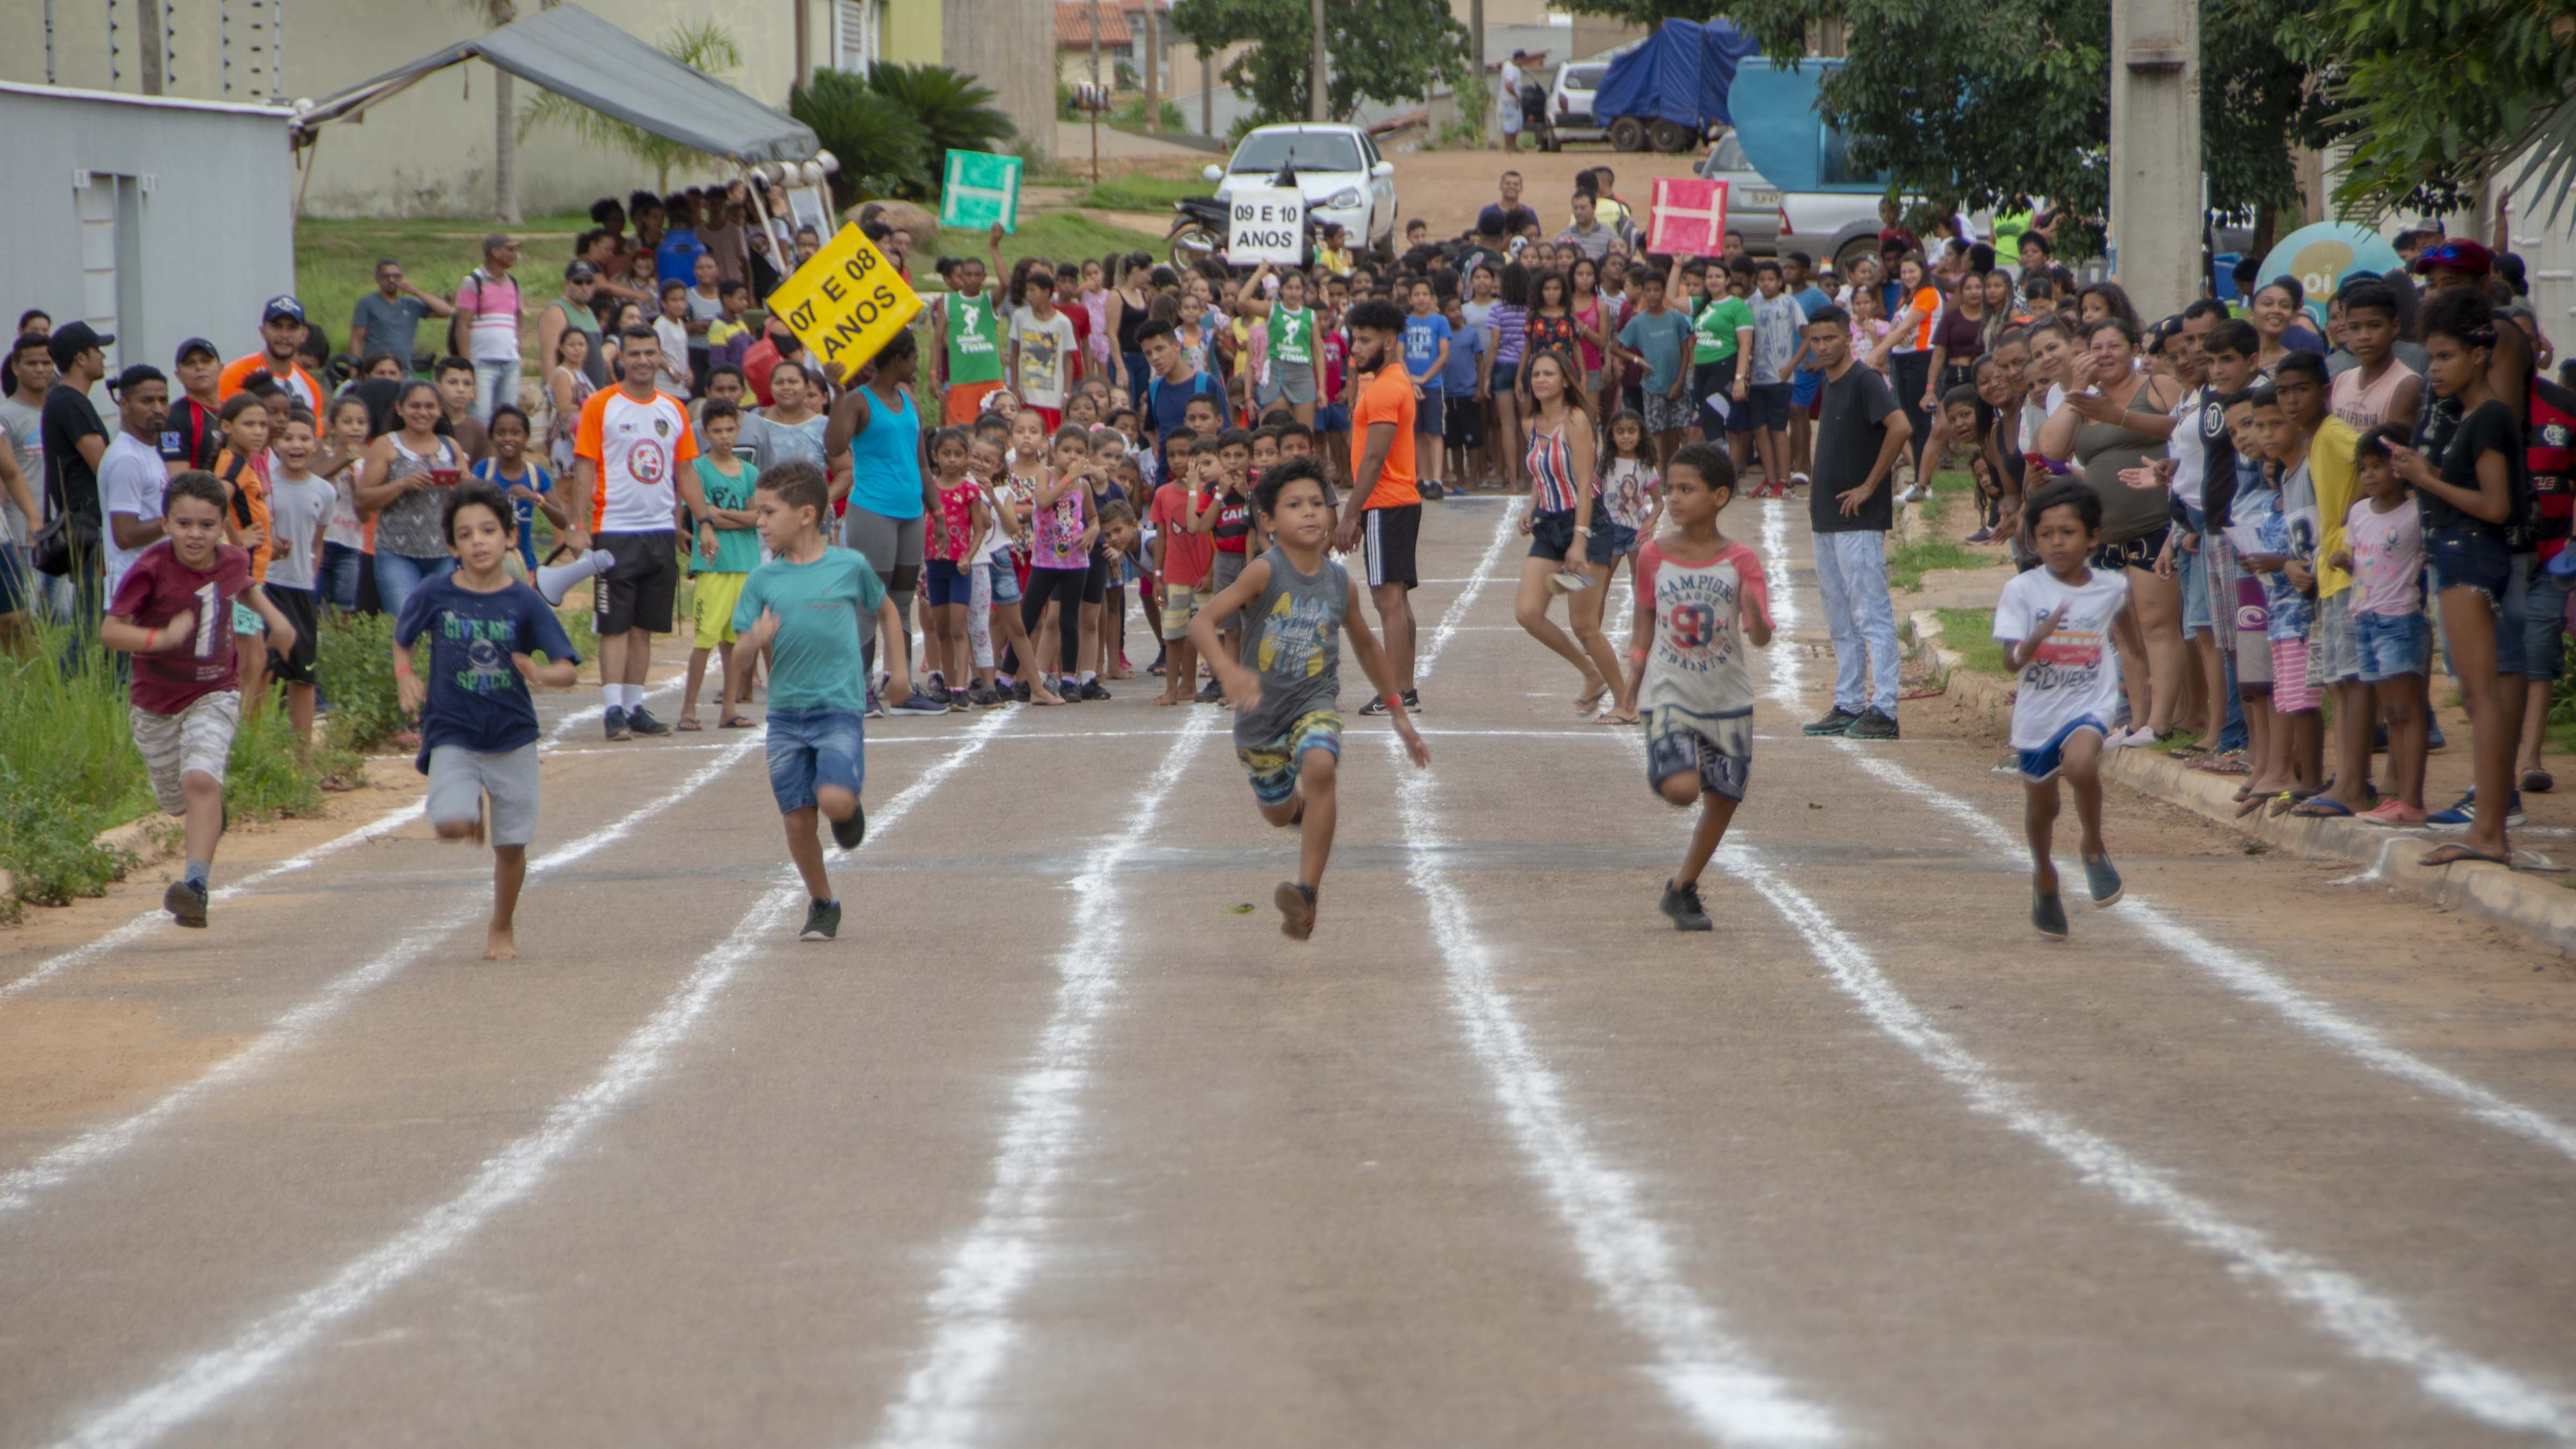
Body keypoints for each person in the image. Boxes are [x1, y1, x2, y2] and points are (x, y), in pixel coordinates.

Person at [1192, 457, 1428, 940]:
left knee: (1320, 766)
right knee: (1278, 814)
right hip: (1259, 720)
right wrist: (1228, 673)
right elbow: (1202, 622)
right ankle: (1297, 810)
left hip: (1313, 701)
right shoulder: (1264, 571)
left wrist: (1399, 715)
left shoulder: (1340, 582)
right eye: (1294, 505)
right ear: (1269, 522)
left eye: (1318, 504)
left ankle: (1306, 893)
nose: (1310, 513)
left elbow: (1365, 644)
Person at [390, 480, 580, 959]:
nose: (478, 541)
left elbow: (568, 670)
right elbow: (403, 636)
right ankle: (466, 801)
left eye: (489, 530)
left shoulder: (525, 601)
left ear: (511, 537)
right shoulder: (435, 593)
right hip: (453, 731)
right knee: (452, 825)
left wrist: (540, 672)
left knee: (511, 847)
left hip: (513, 736)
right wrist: (404, 674)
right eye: (466, 534)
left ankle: (501, 928)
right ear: (452, 546)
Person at [103, 470, 298, 927]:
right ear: (167, 522)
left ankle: (195, 887)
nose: (196, 535)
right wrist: (160, 636)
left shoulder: (229, 558)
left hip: (214, 690)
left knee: (200, 781)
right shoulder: (150, 568)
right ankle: (208, 812)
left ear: (221, 526)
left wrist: (277, 619)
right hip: (155, 703)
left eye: (207, 525)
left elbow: (243, 583)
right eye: (184, 524)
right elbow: (110, 630)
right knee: (178, 800)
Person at [730, 461, 911, 943]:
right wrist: (756, 639)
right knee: (796, 817)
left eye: (768, 512)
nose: (760, 522)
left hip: (838, 708)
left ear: (807, 514)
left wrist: (901, 671)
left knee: (832, 799)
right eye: (758, 513)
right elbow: (741, 652)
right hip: (787, 714)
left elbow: (888, 611)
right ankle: (822, 902)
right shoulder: (762, 581)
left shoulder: (848, 566)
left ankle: (848, 812)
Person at [2391, 289, 2528, 867]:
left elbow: (2497, 506)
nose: (2436, 370)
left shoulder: (2490, 415)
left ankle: (2490, 832)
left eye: (2446, 357)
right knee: (2479, 695)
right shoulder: (2468, 416)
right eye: (2432, 359)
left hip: (2474, 554)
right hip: (2458, 554)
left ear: (2479, 354)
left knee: (2482, 696)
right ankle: (2489, 829)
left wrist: (2427, 477)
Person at [1623, 442, 1769, 932]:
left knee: (1723, 800)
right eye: (1671, 489)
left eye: (1687, 489)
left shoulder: (1742, 560)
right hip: (1669, 692)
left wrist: (1754, 614)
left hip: (1728, 698)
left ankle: (1683, 888)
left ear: (1720, 496)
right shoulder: (1653, 555)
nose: (1676, 499)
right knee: (1683, 790)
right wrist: (1632, 680)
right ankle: (1666, 762)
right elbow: (1645, 620)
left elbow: (1762, 633)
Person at [1995, 480, 2141, 938]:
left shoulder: (2113, 588)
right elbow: (2009, 659)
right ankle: (2043, 874)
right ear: (2032, 541)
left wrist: (2145, 706)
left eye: (2068, 532)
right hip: (2039, 714)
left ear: (2093, 537)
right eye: (2046, 534)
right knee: (2042, 808)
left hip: (2090, 705)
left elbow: (2132, 648)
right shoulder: (2021, 590)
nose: (2057, 542)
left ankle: (2094, 846)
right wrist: (2034, 642)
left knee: (2081, 765)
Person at [563, 324, 696, 741]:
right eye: (634, 353)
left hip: (658, 531)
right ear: (622, 358)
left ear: (661, 357)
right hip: (614, 529)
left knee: (644, 626)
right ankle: (612, 710)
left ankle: (636, 705)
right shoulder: (601, 405)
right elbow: (583, 467)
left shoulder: (674, 409)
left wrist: (702, 521)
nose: (642, 361)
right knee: (615, 625)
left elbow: (686, 470)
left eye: (649, 353)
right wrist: (578, 525)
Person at [1799, 304, 1909, 740]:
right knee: (1839, 617)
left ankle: (1885, 707)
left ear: (1848, 337)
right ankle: (1848, 701)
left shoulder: (1865, 379)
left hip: (1857, 519)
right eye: (1816, 339)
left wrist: (1868, 486)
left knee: (1871, 614)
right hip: (1826, 518)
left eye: (1830, 338)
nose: (1823, 346)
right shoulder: (1830, 383)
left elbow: (1899, 427)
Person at [824, 328, 942, 717]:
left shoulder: (908, 399)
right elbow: (835, 448)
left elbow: (922, 461)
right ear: (899, 359)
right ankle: (860, 690)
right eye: (914, 357)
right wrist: (837, 395)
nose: (918, 364)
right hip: (873, 511)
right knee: (868, 604)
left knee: (902, 602)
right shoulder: (858, 400)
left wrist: (937, 511)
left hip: (912, 514)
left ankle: (901, 688)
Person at [1514, 349, 1626, 714]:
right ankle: (1590, 674)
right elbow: (1540, 471)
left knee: (1585, 627)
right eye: (1536, 375)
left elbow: (1583, 485)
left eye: (1549, 374)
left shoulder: (1577, 420)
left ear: (1565, 380)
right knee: (1528, 613)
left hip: (1587, 525)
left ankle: (1627, 702)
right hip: (1548, 525)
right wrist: (1531, 508)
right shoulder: (1530, 422)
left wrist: (1579, 542)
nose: (1541, 380)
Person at [1334, 299, 1424, 715]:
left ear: (1389, 343)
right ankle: (1404, 690)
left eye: (1365, 340)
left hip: (1386, 503)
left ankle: (1397, 693)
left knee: (1387, 601)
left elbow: (1374, 458)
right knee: (1397, 600)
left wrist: (1351, 514)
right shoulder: (1391, 381)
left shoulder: (1387, 388)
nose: (1355, 348)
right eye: (1354, 339)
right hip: (1396, 502)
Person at [2337, 427, 2430, 825]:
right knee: (2391, 712)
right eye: (2365, 468)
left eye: (2380, 466)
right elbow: (2356, 555)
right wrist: (2343, 562)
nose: (2371, 475)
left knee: (2408, 709)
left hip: (2401, 618)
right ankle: (2398, 797)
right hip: (2366, 618)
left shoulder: (2416, 512)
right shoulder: (2358, 512)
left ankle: (2411, 799)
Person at [354, 380, 468, 621]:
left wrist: (465, 483)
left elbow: (469, 499)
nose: (423, 412)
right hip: (396, 554)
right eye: (415, 406)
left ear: (439, 411)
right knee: (405, 621)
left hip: (443, 553)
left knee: (439, 623)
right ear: (400, 408)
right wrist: (402, 484)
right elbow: (362, 499)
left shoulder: (450, 446)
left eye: (430, 406)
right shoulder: (386, 445)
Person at [678, 400, 759, 731]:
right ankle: (688, 710)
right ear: (704, 433)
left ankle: (729, 708)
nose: (725, 437)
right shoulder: (697, 469)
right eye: (717, 431)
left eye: (730, 429)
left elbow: (757, 517)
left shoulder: (750, 472)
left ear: (738, 429)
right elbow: (701, 513)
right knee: (704, 640)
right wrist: (719, 517)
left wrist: (719, 515)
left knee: (734, 642)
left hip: (745, 564)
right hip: (713, 567)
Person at [40, 321, 116, 645]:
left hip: (84, 522)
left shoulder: (65, 400)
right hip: (88, 523)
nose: (102, 356)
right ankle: (68, 682)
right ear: (81, 358)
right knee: (92, 624)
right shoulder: (70, 402)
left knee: (95, 619)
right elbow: (102, 464)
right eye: (97, 350)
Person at [261, 408, 333, 744]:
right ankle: (255, 747)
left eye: (304, 438)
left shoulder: (324, 491)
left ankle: (304, 757)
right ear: (275, 443)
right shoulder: (262, 482)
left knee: (303, 675)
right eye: (288, 437)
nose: (296, 445)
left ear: (316, 445)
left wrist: (310, 577)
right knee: (261, 669)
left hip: (301, 587)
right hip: (264, 585)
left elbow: (316, 542)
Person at [98, 364, 173, 607]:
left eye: (163, 400)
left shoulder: (147, 450)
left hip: (155, 585)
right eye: (147, 401)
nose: (158, 408)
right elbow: (125, 535)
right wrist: (176, 520)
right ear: (124, 406)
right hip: (133, 590)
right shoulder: (127, 459)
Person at [1150, 432, 1215, 706]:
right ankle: (1172, 688)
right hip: (1175, 576)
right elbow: (1161, 538)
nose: (1178, 461)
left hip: (1204, 575)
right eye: (1172, 455)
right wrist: (1157, 577)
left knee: (1200, 632)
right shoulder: (1162, 494)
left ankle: (1190, 685)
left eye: (1185, 454)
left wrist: (1212, 572)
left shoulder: (1210, 492)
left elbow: (1217, 536)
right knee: (1174, 634)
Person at [1615, 262, 1694, 471]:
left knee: (1678, 431)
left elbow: (1686, 351)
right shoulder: (1637, 322)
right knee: (1657, 432)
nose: (1652, 295)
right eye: (1648, 290)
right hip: (1652, 385)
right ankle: (1660, 479)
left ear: (1663, 291)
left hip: (1678, 384)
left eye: (1657, 290)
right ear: (1642, 292)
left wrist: (1679, 383)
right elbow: (1615, 347)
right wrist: (1636, 360)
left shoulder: (1676, 318)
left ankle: (1675, 473)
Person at [469, 406, 564, 577]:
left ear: (526, 437)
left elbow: (563, 521)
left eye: (515, 432)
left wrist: (536, 498)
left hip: (524, 564)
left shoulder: (536, 475)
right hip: (485, 564)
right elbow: (466, 508)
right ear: (492, 437)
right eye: (501, 433)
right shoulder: (483, 471)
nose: (508, 439)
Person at [934, 225, 1009, 425]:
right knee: (962, 433)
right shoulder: (948, 302)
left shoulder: (989, 300)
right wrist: (933, 374)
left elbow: (1006, 283)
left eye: (978, 275)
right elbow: (936, 340)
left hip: (991, 378)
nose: (973, 279)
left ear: (984, 278)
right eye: (968, 274)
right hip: (962, 381)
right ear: (962, 276)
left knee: (995, 431)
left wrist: (994, 246)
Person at [451, 235, 524, 423]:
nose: (514, 255)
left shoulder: (513, 283)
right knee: (480, 417)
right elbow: (463, 324)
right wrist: (467, 364)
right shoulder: (473, 282)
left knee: (506, 417)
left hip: (509, 361)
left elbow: (518, 318)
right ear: (496, 252)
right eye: (510, 250)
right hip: (482, 362)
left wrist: (518, 350)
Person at [349, 259, 456, 376]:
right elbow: (357, 339)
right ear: (377, 279)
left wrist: (416, 292)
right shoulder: (367, 303)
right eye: (386, 276)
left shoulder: (410, 304)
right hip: (377, 371)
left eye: (396, 276)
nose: (391, 280)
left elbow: (447, 311)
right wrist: (354, 371)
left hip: (404, 371)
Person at [215, 297, 323, 413]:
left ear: (303, 334)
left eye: (292, 328)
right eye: (277, 327)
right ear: (263, 331)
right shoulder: (233, 376)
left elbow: (314, 430)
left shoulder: (311, 387)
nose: (284, 335)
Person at [1399, 277, 1451, 499]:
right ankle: (1425, 479)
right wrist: (1411, 381)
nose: (1421, 299)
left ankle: (1437, 480)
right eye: (1416, 295)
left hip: (1432, 385)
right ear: (1410, 299)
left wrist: (1423, 378)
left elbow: (1444, 355)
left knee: (1434, 433)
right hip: (1410, 385)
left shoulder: (1440, 322)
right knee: (1417, 434)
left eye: (1425, 295)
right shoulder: (1405, 322)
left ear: (1432, 299)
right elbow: (1399, 355)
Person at [1007, 268, 1078, 431]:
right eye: (1027, 290)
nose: (1028, 295)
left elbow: (1068, 359)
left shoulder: (1063, 323)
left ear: (1046, 293)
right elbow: (1015, 353)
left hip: (1052, 397)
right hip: (1026, 394)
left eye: (1033, 291)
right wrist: (1014, 387)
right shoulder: (1020, 317)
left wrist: (1067, 393)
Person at [1557, 192, 1615, 262]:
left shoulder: (1610, 235)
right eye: (1575, 208)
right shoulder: (1563, 236)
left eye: (1583, 208)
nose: (1578, 212)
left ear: (1594, 208)